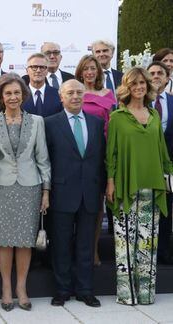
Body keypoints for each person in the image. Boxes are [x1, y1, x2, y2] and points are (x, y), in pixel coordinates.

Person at [0, 73, 50, 311]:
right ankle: (6, 288)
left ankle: (21, 287)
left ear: (23, 95)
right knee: (4, 241)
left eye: (17, 93)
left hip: (30, 187)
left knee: (25, 242)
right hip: (0, 188)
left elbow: (43, 159)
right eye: (8, 93)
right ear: (0, 96)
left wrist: (46, 191)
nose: (13, 97)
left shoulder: (37, 121)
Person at [106, 67, 173, 305]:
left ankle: (146, 294)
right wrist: (111, 182)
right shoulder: (117, 117)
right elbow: (111, 153)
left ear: (148, 86)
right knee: (125, 241)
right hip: (126, 186)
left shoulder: (154, 116)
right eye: (134, 84)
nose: (139, 88)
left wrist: (170, 174)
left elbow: (162, 151)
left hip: (152, 185)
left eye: (142, 83)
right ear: (127, 87)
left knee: (148, 241)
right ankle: (127, 294)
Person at [45, 79, 105, 308]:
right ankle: (62, 290)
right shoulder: (50, 124)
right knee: (60, 244)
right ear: (61, 96)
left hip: (90, 191)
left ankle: (85, 290)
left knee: (85, 244)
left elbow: (100, 159)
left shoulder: (97, 123)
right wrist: (46, 191)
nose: (76, 96)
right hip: (61, 192)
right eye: (70, 92)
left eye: (79, 92)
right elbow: (45, 160)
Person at [75, 54, 116, 266]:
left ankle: (93, 250)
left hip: (100, 156)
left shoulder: (108, 94)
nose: (90, 72)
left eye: (93, 69)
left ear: (99, 72)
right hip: (76, 156)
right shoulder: (74, 92)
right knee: (76, 205)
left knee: (96, 207)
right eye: (86, 69)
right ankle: (77, 250)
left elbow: (112, 126)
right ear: (80, 71)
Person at [148, 61, 173, 265]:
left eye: (160, 73)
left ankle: (164, 251)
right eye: (152, 73)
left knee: (166, 209)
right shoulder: (136, 103)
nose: (156, 76)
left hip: (169, 165)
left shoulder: (172, 102)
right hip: (144, 165)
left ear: (167, 77)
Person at [22, 53, 63, 117]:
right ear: (27, 70)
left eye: (42, 67)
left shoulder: (58, 94)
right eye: (34, 67)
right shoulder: (20, 95)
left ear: (47, 71)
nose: (38, 70)